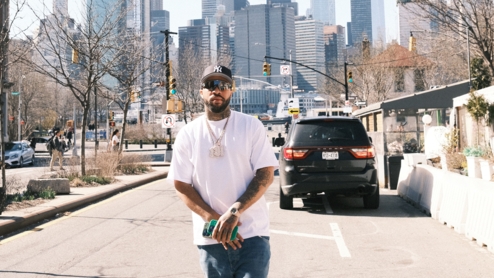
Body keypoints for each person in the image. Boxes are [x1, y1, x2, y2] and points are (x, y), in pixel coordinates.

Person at [169, 65, 279, 278]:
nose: (217, 90)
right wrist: (214, 219)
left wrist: (235, 212)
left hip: (252, 236)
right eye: (210, 85)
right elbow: (181, 185)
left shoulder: (251, 126)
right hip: (212, 239)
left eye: (223, 85)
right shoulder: (188, 134)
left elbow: (265, 174)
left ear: (232, 90)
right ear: (201, 91)